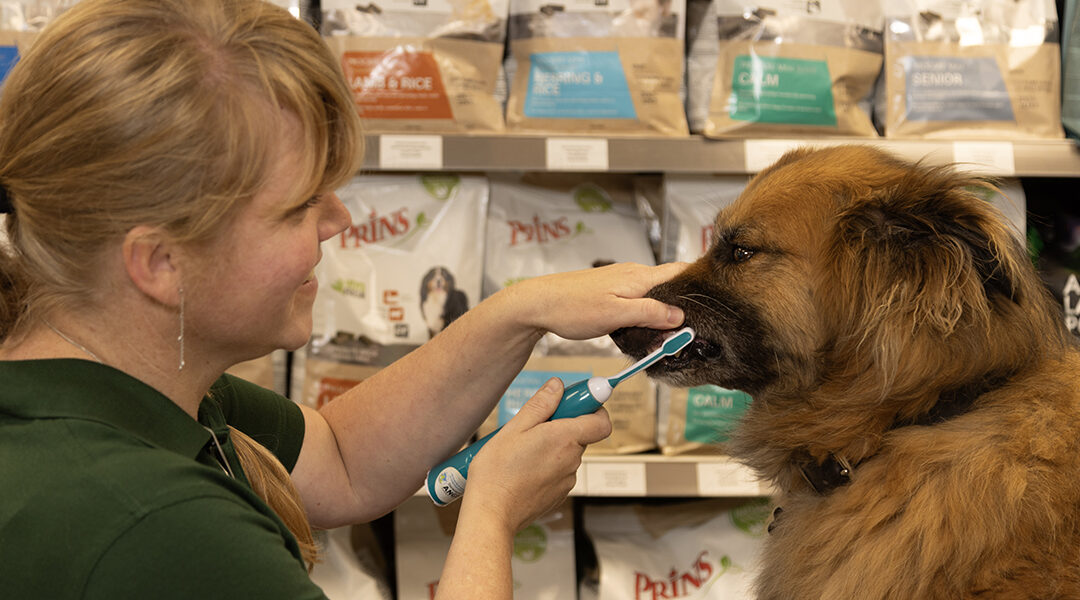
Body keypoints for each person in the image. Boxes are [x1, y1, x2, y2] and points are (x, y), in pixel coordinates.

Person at [0, 0, 686, 598]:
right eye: (299, 208)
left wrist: (520, 311)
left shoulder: (110, 380)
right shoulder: (156, 523)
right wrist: (490, 515)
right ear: (160, 261)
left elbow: (342, 462)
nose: (338, 222)